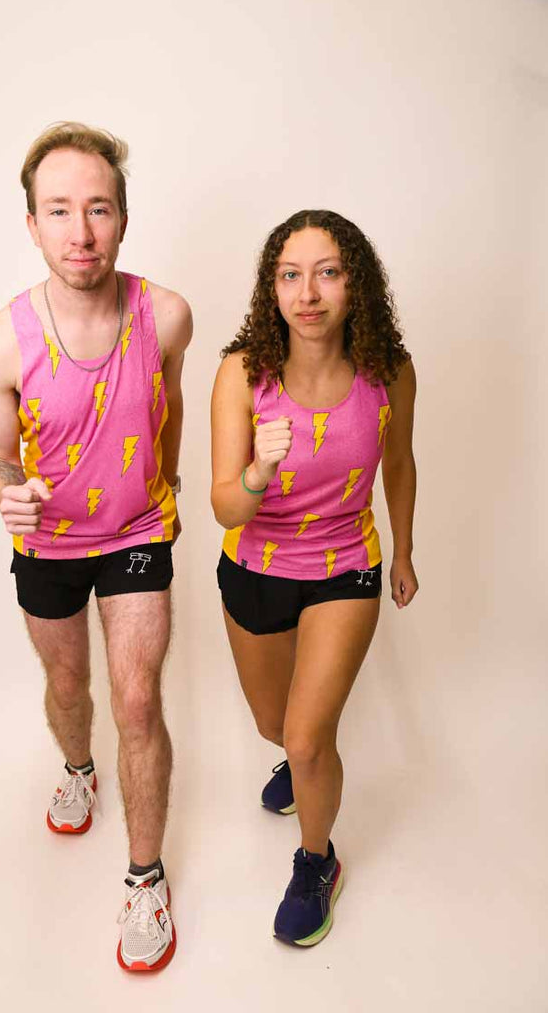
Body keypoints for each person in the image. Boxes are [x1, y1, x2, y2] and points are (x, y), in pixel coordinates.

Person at [0, 122, 192, 972]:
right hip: (49, 542)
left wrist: (165, 490)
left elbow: (168, 406)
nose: (81, 231)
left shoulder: (166, 316)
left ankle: (145, 879)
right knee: (69, 685)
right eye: (59, 210)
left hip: (136, 532)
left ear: (123, 217)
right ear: (32, 224)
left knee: (136, 700)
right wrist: (5, 490)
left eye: (97, 208)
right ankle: (76, 767)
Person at [210, 209, 417, 947]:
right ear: (271, 288)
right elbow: (224, 506)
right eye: (290, 275)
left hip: (345, 566)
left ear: (354, 283)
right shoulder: (242, 373)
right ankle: (296, 765)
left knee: (304, 739)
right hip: (255, 568)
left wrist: (403, 551)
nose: (308, 293)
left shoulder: (389, 370)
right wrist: (259, 470)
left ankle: (316, 862)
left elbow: (399, 463)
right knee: (275, 727)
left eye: (327, 273)